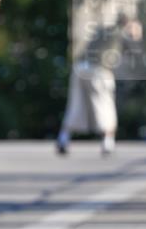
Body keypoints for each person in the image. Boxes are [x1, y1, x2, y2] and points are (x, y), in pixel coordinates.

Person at [56, 11, 139, 156]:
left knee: (76, 105)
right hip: (99, 70)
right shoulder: (122, 33)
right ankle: (108, 142)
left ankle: (63, 139)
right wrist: (136, 35)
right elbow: (135, 52)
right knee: (105, 105)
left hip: (80, 67)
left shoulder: (102, 29)